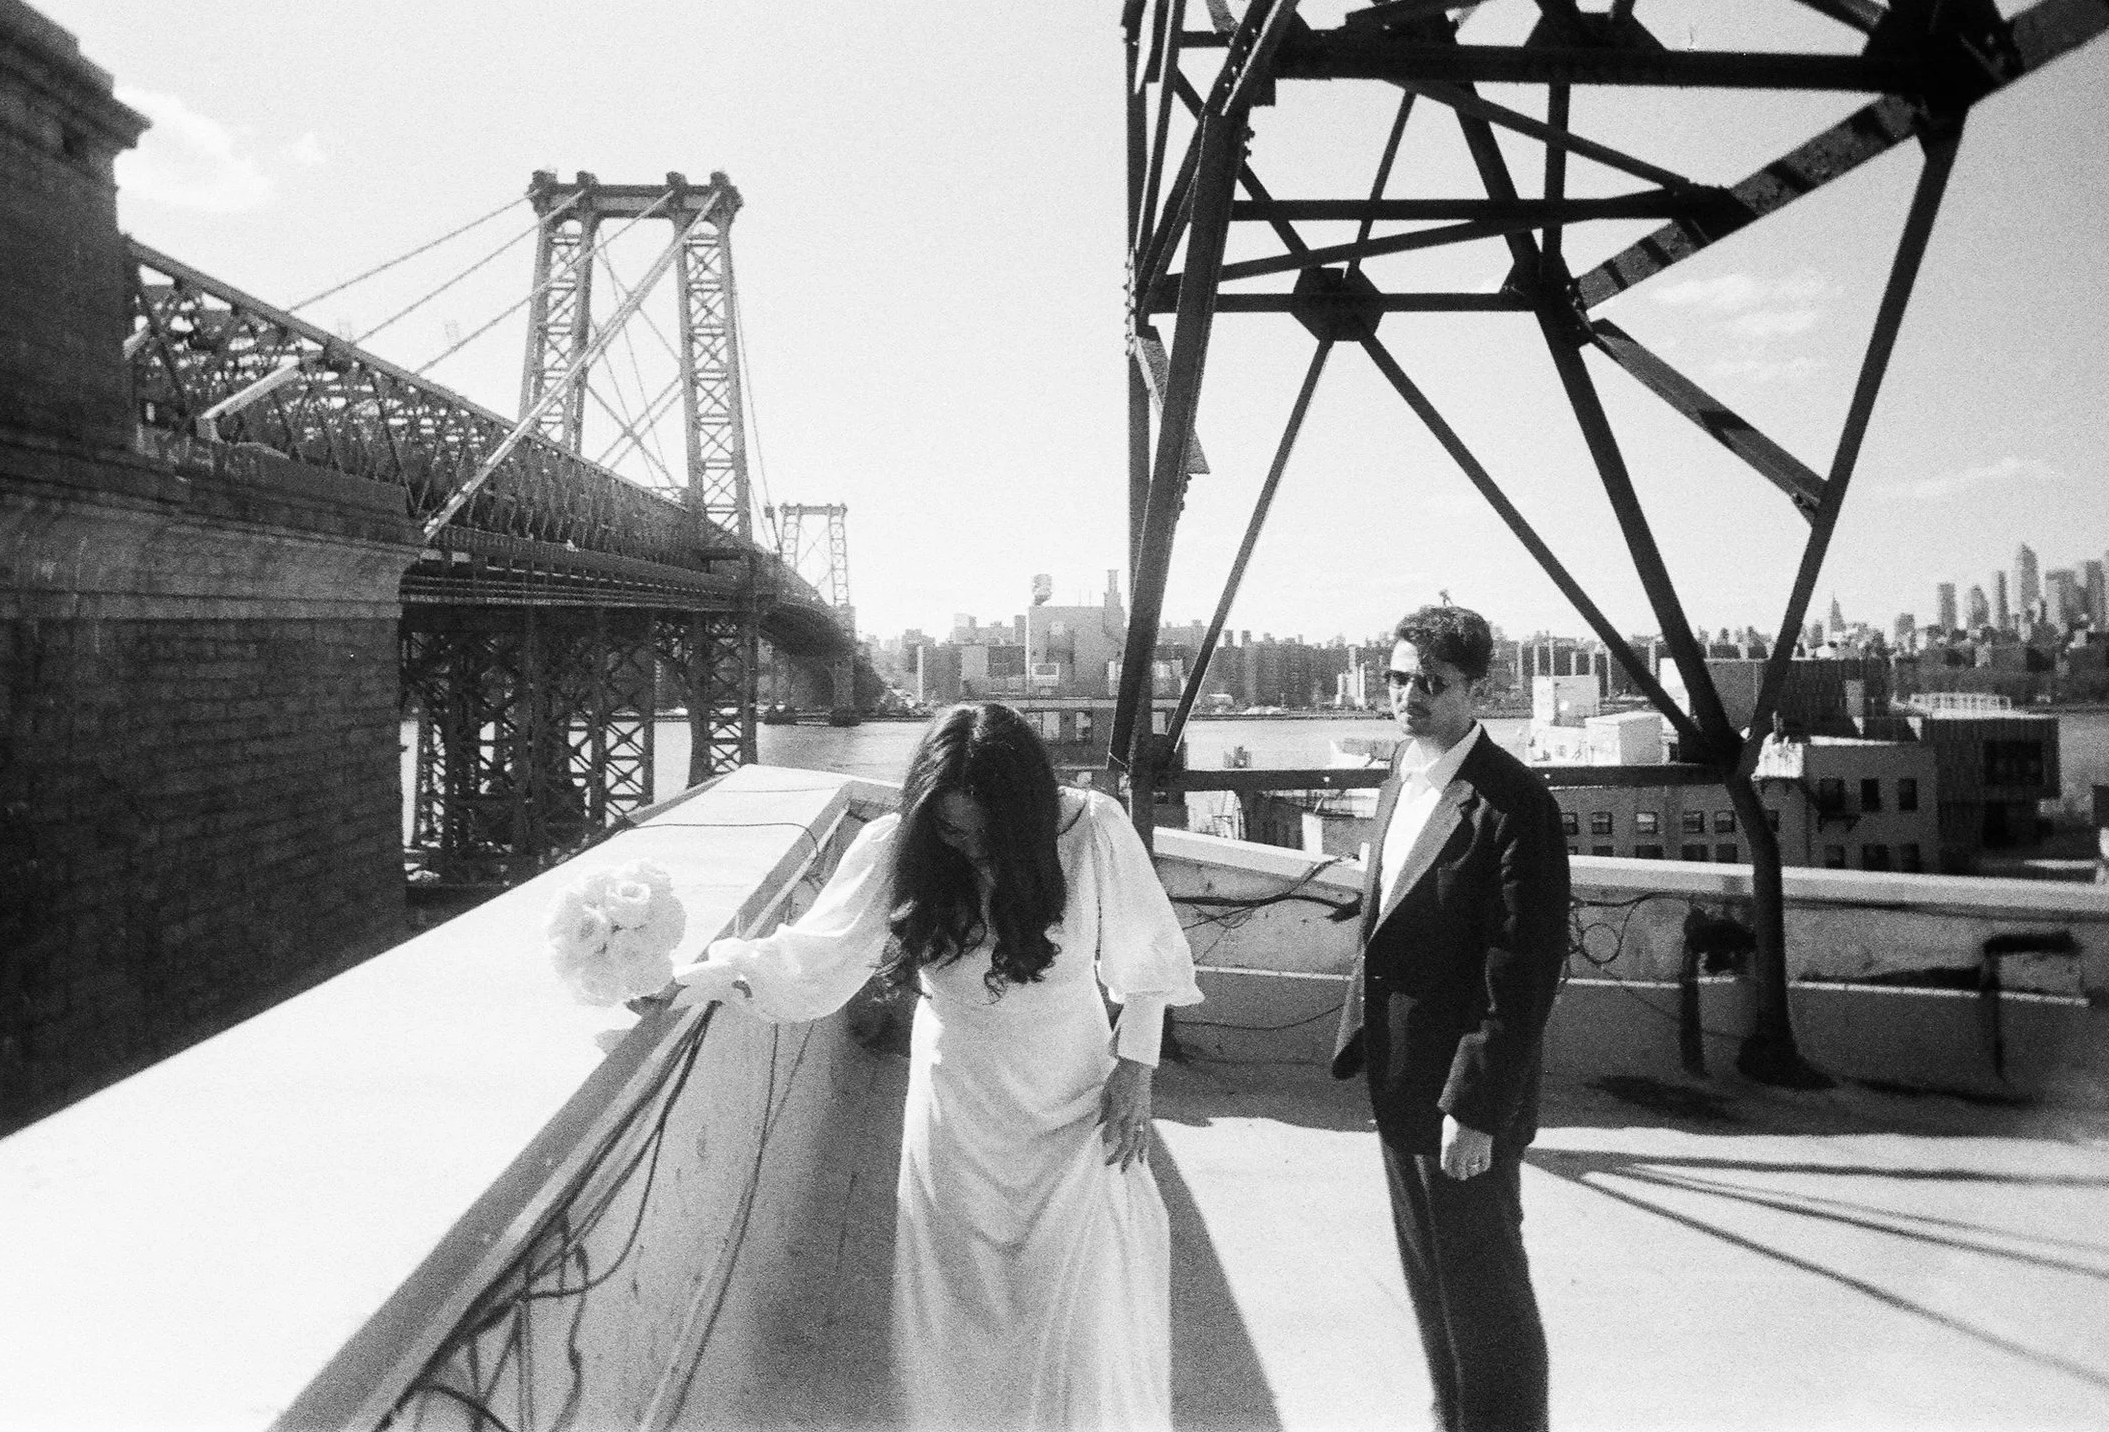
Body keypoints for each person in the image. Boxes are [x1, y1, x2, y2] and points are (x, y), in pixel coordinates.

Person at [671, 701, 1202, 1432]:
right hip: (958, 1111)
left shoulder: (1092, 830)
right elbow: (815, 955)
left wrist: (1136, 1066)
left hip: (1076, 1099)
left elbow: (1150, 959)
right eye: (955, 831)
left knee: (1087, 1306)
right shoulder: (901, 847)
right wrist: (693, 979)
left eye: (990, 831)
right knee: (957, 1306)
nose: (974, 848)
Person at [1332, 604, 1570, 1432]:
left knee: (1487, 1303)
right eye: (1398, 677)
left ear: (1478, 690)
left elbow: (1523, 971)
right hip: (1401, 1088)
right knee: (1434, 1296)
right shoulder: (1403, 777)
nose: (1408, 695)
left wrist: (1475, 1106)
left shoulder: (1514, 804)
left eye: (1431, 682)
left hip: (1463, 1102)